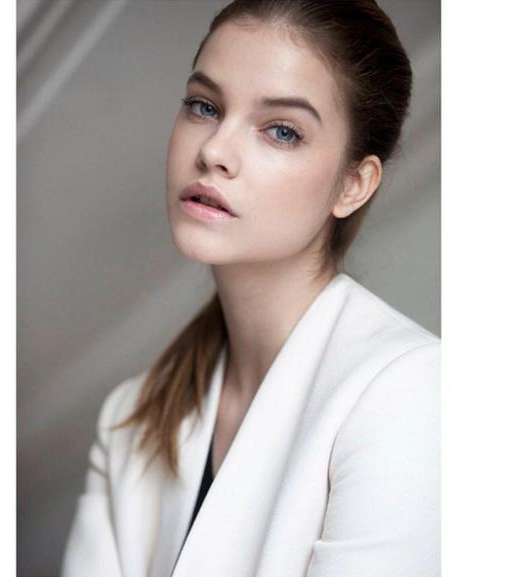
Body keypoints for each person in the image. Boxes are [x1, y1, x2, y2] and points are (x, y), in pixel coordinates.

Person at [61, 1, 440, 576]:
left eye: (282, 131)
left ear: (353, 184)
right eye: (204, 106)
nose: (213, 150)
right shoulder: (131, 418)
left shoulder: (409, 393)